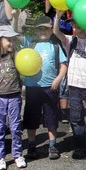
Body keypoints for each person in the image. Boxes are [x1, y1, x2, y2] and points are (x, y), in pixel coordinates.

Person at [22, 16, 68, 160]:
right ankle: (31, 145)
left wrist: (58, 79)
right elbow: (16, 33)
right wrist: (16, 16)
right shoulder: (30, 44)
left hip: (50, 87)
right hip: (32, 87)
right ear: (35, 31)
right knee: (31, 118)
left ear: (51, 30)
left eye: (46, 29)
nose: (43, 31)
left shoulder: (55, 46)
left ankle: (52, 145)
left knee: (51, 117)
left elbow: (63, 65)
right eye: (40, 28)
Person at [52, 11, 86, 159]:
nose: (77, 25)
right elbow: (56, 31)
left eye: (79, 22)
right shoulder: (70, 40)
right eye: (74, 23)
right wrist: (58, 16)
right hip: (74, 85)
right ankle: (80, 147)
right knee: (76, 118)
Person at [0, 25, 27, 170]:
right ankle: (0, 156)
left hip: (15, 96)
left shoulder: (16, 56)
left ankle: (18, 154)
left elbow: (25, 67)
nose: (11, 42)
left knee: (16, 127)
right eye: (7, 39)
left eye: (12, 39)